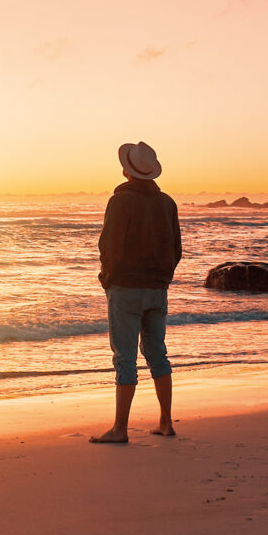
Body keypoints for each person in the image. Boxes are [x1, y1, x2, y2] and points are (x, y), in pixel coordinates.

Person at [91, 140, 181, 444]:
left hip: (126, 287)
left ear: (126, 170)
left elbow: (110, 246)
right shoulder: (167, 202)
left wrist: (108, 279)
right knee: (158, 354)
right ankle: (166, 422)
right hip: (157, 288)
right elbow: (176, 249)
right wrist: (163, 278)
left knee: (125, 358)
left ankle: (120, 429)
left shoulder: (120, 202)